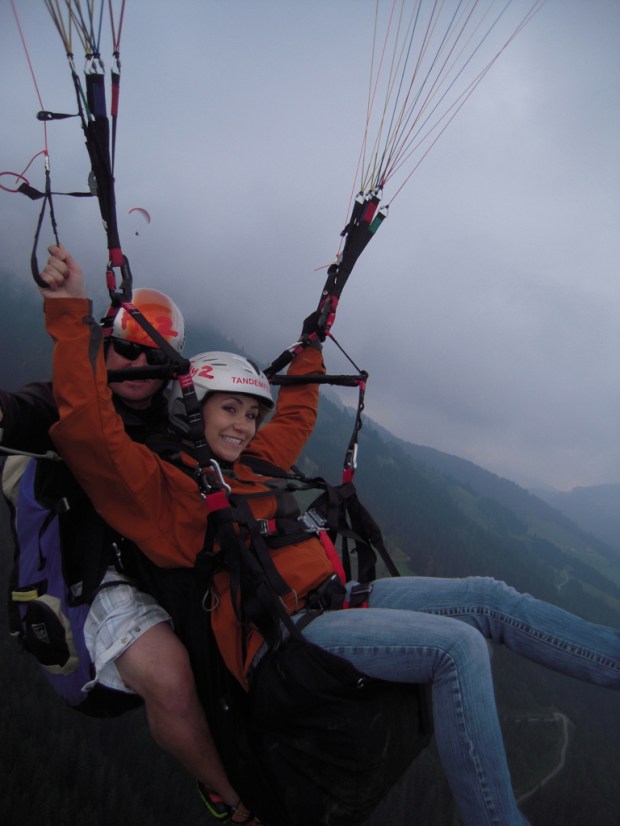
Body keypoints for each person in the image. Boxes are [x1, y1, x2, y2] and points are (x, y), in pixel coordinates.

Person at [39, 246, 619, 826]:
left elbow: (294, 413)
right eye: (229, 410)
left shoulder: (252, 462)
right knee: (457, 648)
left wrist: (312, 340)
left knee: (490, 600)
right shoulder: (161, 492)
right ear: (192, 409)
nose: (243, 425)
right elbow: (93, 435)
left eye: (249, 413)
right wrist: (70, 316)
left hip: (339, 599)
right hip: (288, 636)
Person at [1, 273, 256, 823]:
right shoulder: (62, 406)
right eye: (125, 350)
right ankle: (230, 801)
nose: (139, 366)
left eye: (154, 355)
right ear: (102, 345)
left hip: (166, 569)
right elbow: (19, 413)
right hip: (89, 582)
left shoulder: (176, 418)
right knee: (167, 673)